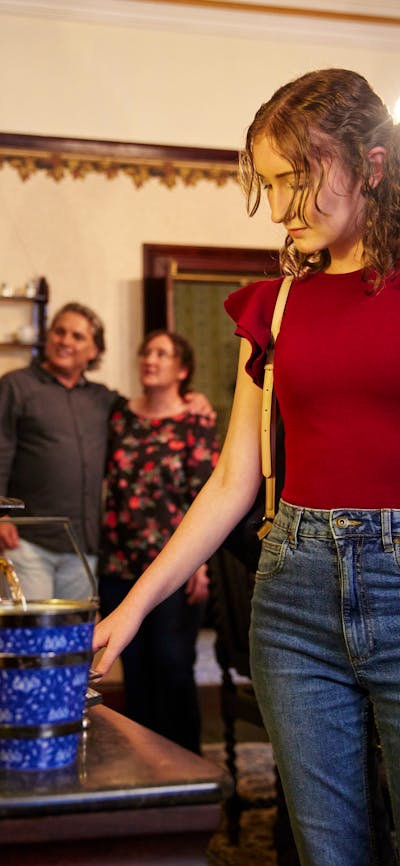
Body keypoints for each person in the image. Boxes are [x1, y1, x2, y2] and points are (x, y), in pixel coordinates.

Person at [93, 68, 400, 865]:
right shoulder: (276, 306)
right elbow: (233, 480)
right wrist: (131, 609)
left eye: (299, 177)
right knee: (329, 854)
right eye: (268, 183)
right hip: (293, 602)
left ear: (371, 165)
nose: (282, 206)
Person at [0, 303, 214, 601]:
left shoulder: (104, 400)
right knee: (33, 641)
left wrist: (193, 398)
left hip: (83, 548)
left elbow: (153, 411)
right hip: (27, 542)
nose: (65, 341)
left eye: (77, 336)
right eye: (59, 332)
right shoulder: (16, 386)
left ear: (93, 351)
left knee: (77, 642)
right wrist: (2, 516)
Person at [98, 329, 219, 752]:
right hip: (119, 566)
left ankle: (187, 769)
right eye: (146, 352)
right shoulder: (118, 415)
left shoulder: (197, 420)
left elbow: (209, 496)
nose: (150, 359)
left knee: (172, 666)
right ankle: (143, 772)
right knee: (134, 669)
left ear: (182, 370)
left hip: (175, 568)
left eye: (162, 354)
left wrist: (201, 565)